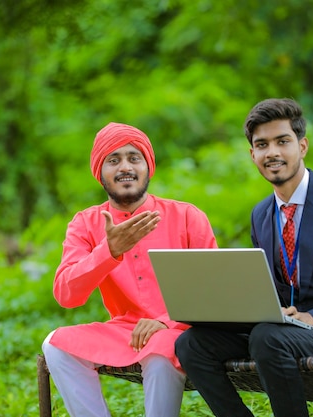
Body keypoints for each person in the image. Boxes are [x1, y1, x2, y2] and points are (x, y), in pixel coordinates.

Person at [175, 98, 313, 417]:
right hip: (284, 332)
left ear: (303, 145)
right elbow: (276, 289)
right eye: (262, 144)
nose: (273, 153)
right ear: (252, 154)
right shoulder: (261, 215)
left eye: (282, 141)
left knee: (268, 338)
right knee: (191, 344)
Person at [41, 122, 218, 417]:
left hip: (180, 328)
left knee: (161, 351)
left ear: (148, 166)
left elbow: (214, 287)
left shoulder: (187, 216)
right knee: (56, 344)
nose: (125, 167)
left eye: (134, 158)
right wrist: (108, 252)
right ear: (100, 172)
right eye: (114, 160)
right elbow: (66, 295)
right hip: (125, 330)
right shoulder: (86, 223)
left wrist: (166, 320)